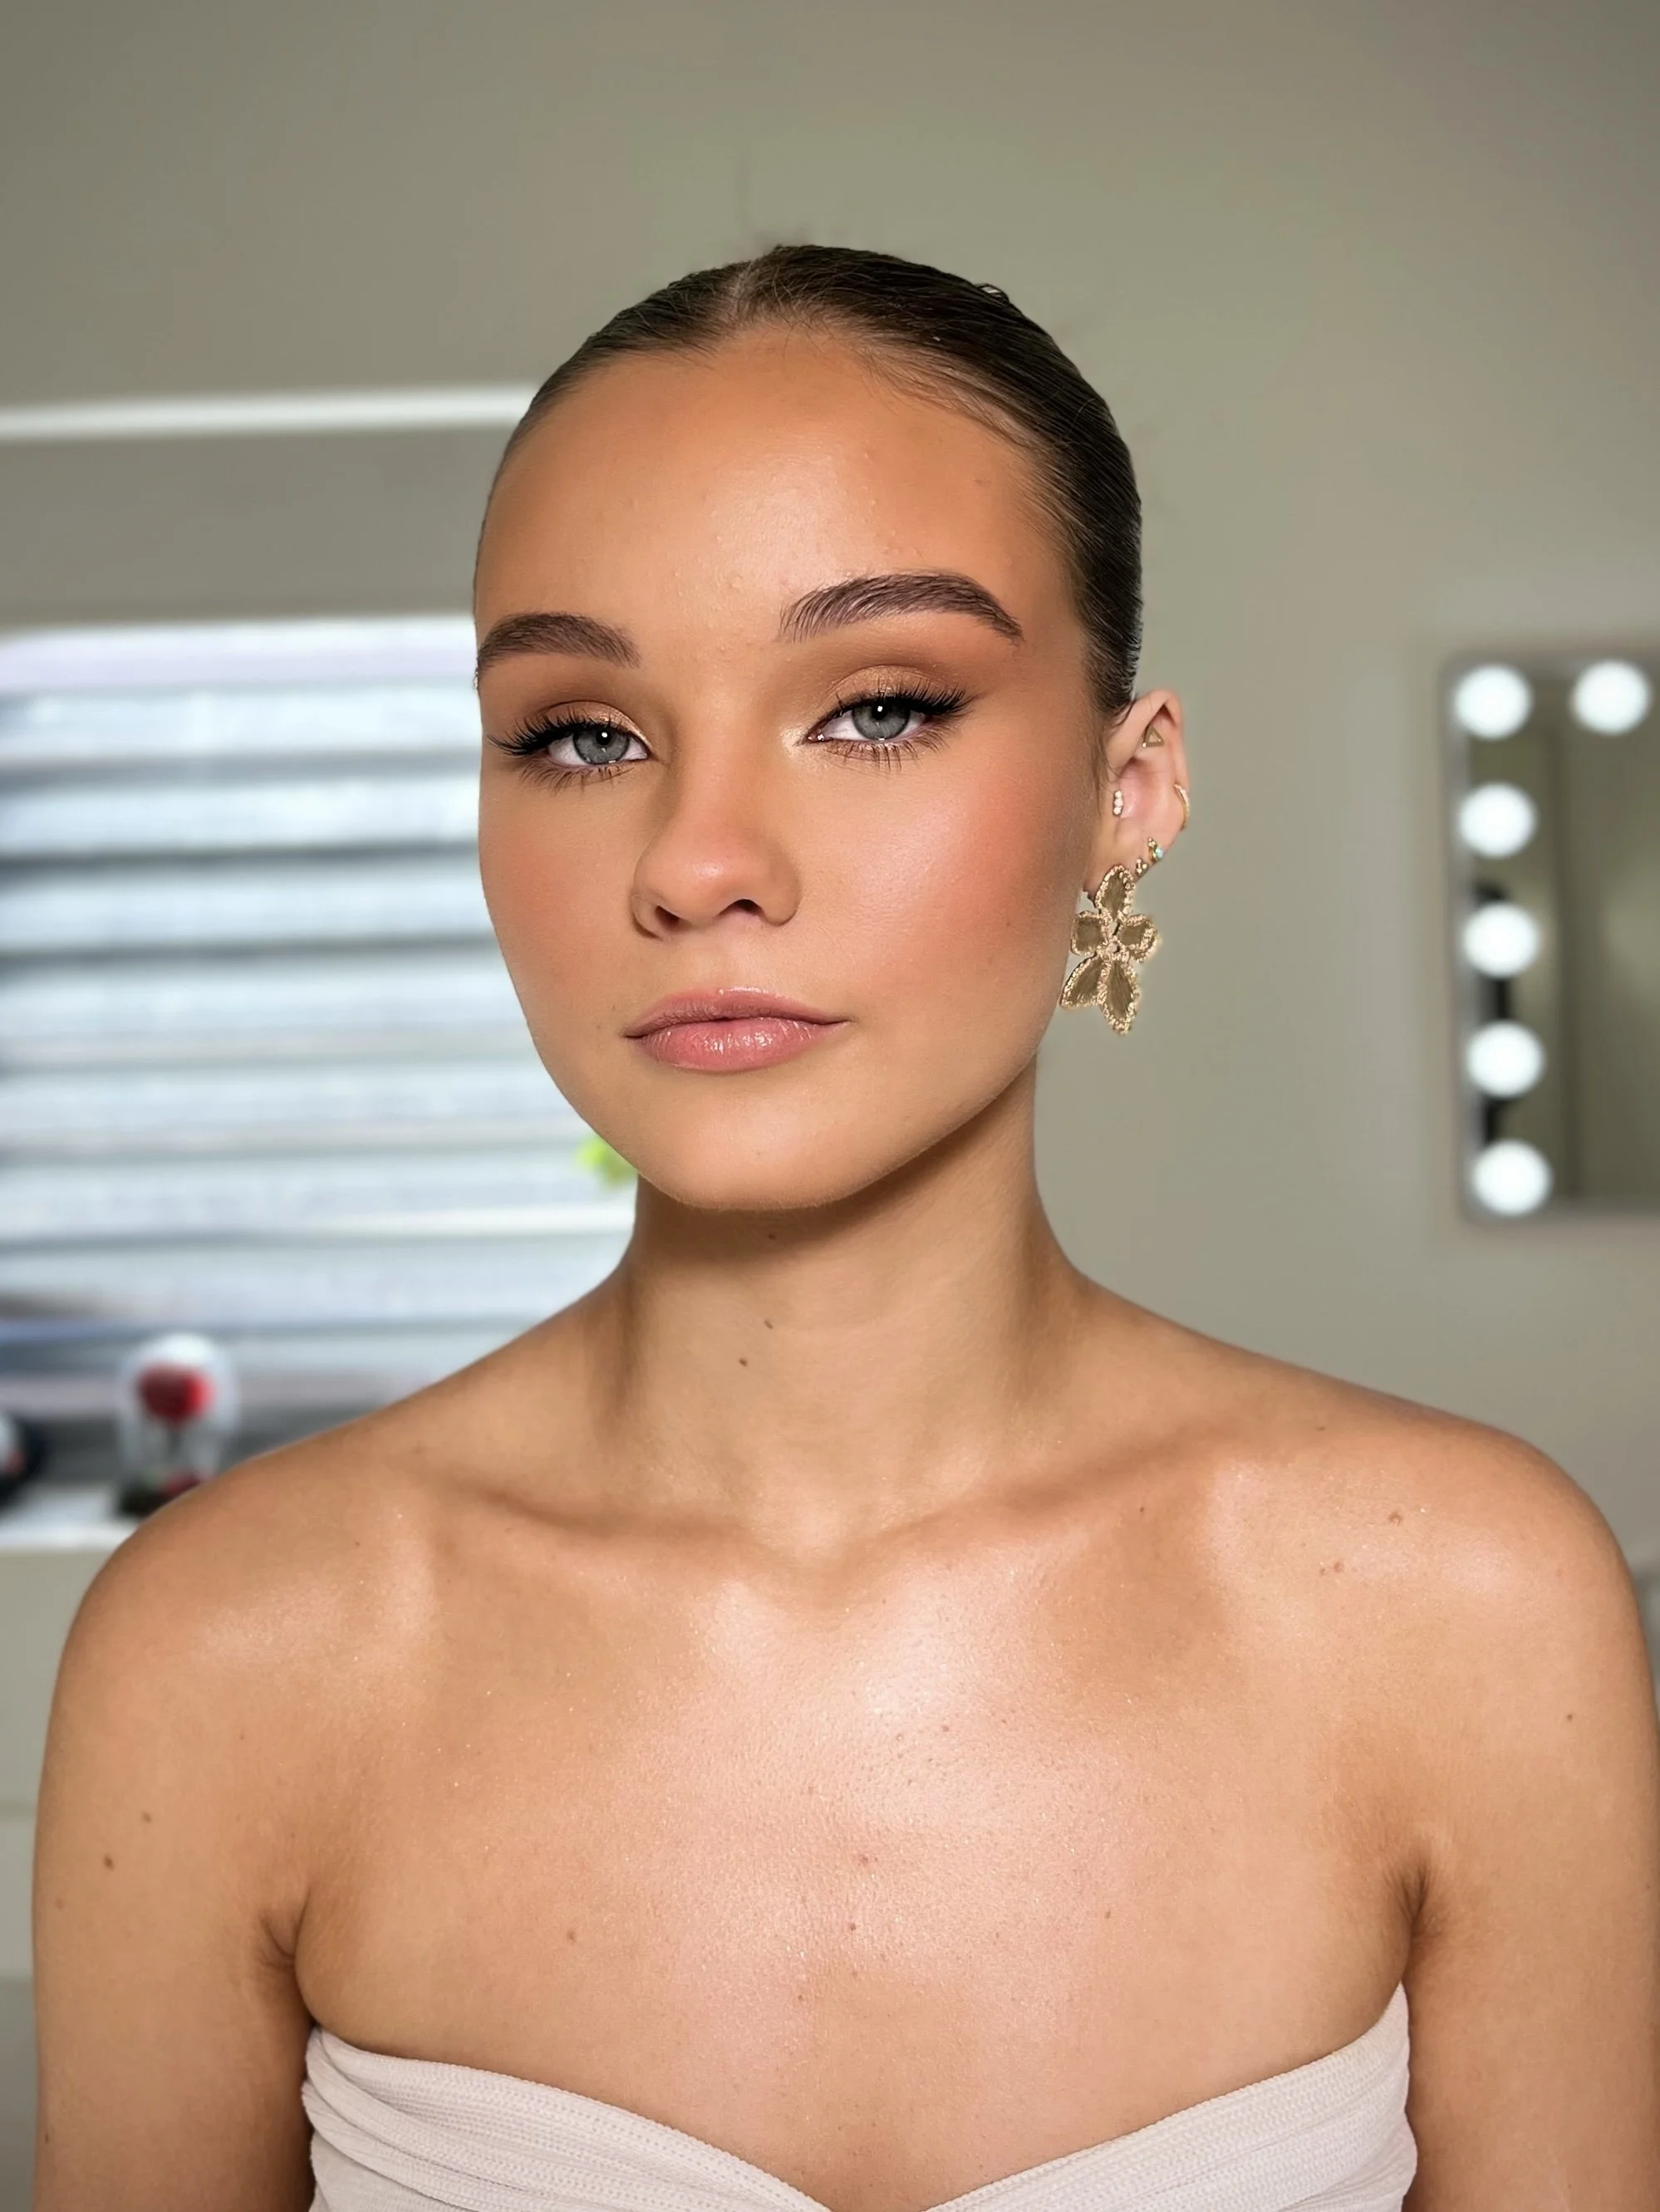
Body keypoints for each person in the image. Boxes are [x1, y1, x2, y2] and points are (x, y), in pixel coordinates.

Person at [32, 246, 1660, 2212]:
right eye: (583, 732)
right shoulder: (228, 1654)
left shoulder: (1465, 1610)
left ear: (1129, 790)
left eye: (879, 707)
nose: (700, 859)